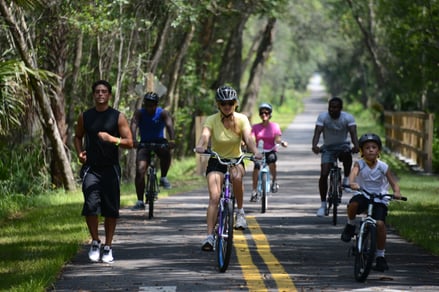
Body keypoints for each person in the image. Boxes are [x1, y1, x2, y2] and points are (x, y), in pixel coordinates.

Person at [195, 85, 262, 251]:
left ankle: (240, 212)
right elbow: (205, 136)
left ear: (235, 104)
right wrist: (201, 146)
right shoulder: (211, 119)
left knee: (237, 177)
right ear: (218, 104)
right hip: (216, 159)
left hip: (235, 158)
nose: (227, 106)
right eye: (223, 103)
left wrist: (255, 151)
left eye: (230, 103)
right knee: (215, 197)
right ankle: (210, 236)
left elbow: (248, 137)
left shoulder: (242, 119)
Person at [74, 80, 133, 263]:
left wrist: (112, 139)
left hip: (110, 169)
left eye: (104, 91)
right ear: (93, 94)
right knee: (91, 206)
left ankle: (108, 246)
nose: (100, 94)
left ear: (109, 95)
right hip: (91, 168)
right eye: (98, 91)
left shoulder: (118, 117)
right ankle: (95, 241)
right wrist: (79, 153)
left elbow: (129, 142)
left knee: (110, 209)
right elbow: (77, 137)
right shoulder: (85, 116)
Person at [340, 133, 401, 272]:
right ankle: (350, 226)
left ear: (378, 150)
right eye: (367, 148)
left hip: (379, 198)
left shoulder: (383, 166)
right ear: (362, 151)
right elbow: (353, 174)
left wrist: (397, 192)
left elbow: (393, 183)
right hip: (363, 195)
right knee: (353, 205)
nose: (371, 150)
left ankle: (380, 256)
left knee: (380, 224)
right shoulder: (359, 164)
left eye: (374, 147)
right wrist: (352, 183)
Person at [311, 96, 359, 217]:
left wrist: (356, 146)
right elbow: (317, 132)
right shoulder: (323, 117)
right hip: (328, 148)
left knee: (347, 154)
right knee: (324, 174)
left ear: (341, 108)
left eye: (336, 107)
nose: (333, 110)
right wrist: (315, 145)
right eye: (331, 107)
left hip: (343, 146)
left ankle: (346, 178)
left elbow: (353, 133)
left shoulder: (347, 118)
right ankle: (323, 205)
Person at [130, 92, 176, 210]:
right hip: (144, 143)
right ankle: (140, 201)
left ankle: (163, 177)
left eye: (152, 105)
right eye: (147, 105)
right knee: (140, 170)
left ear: (156, 105)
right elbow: (134, 125)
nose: (149, 108)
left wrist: (172, 140)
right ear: (144, 104)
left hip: (159, 142)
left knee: (165, 153)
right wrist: (134, 139)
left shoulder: (163, 113)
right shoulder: (139, 113)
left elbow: (169, 125)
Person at [250, 103, 288, 202]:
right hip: (259, 151)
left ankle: (274, 180)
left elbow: (277, 139)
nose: (264, 115)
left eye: (266, 112)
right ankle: (254, 191)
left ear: (270, 114)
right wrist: (247, 144)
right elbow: (251, 138)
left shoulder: (275, 126)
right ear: (259, 115)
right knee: (257, 166)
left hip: (270, 150)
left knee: (272, 161)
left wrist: (282, 142)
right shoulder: (255, 127)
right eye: (262, 113)